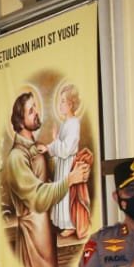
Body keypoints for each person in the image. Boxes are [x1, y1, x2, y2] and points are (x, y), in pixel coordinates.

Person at [1, 91, 91, 267]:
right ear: (20, 120)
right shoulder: (16, 157)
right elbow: (37, 197)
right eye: (30, 110)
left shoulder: (36, 147)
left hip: (46, 229)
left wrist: (80, 169)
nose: (36, 112)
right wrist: (69, 180)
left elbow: (55, 174)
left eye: (36, 107)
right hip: (33, 235)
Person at [45, 84, 82, 237]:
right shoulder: (65, 123)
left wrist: (54, 139)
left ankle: (70, 224)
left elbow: (66, 149)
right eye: (59, 101)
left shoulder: (74, 124)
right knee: (61, 190)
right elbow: (58, 147)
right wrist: (48, 148)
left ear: (71, 104)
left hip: (69, 164)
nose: (59, 105)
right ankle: (61, 222)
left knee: (67, 193)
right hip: (62, 164)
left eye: (62, 101)